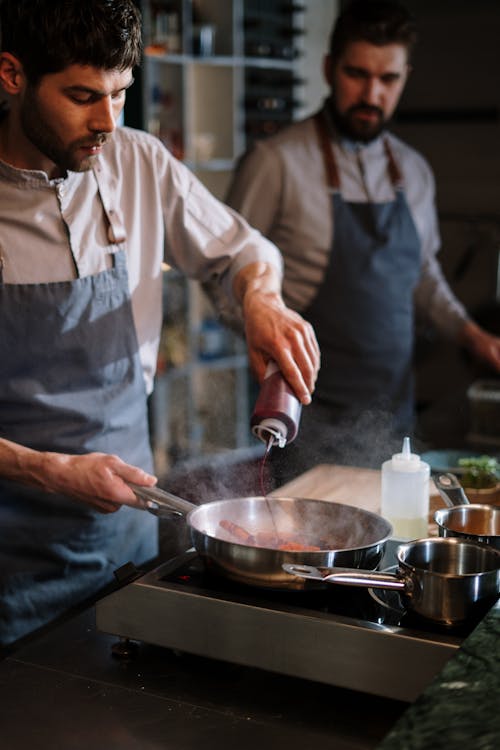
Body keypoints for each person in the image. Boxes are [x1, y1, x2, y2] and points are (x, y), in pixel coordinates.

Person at [0, 0, 319, 647]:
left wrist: (261, 300)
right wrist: (45, 470)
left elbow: (245, 250)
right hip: (9, 559)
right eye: (84, 96)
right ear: (11, 76)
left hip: (123, 541)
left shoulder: (136, 162)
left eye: (121, 93)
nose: (107, 121)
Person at [226, 0, 500, 483]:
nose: (371, 94)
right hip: (309, 420)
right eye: (357, 74)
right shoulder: (275, 163)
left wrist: (474, 336)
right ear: (330, 68)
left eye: (388, 79)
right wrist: (256, 333)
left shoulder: (414, 171)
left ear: (405, 76)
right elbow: (226, 276)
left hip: (394, 417)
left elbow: (423, 275)